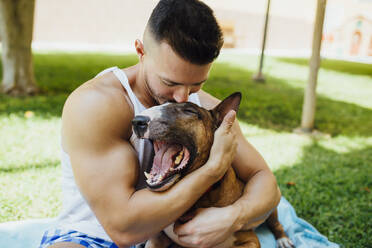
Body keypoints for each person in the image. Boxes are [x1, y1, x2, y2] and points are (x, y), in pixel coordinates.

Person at [39, 0, 281, 247]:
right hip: (94, 237)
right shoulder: (96, 105)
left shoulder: (204, 110)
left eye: (197, 84)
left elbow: (265, 181)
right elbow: (124, 231)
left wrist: (232, 217)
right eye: (171, 82)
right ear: (141, 51)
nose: (183, 97)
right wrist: (213, 169)